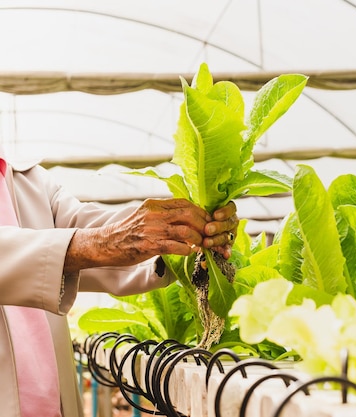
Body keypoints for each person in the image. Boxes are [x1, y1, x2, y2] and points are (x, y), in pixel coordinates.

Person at [0, 148, 239, 417]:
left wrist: (180, 229)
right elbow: (87, 243)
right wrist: (100, 243)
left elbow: (85, 228)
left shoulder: (25, 178)